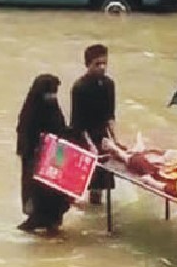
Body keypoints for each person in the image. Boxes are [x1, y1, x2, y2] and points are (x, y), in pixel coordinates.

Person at [16, 74, 75, 236]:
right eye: (49, 93)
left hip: (55, 159)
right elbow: (25, 139)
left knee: (56, 196)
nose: (52, 97)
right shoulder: (30, 113)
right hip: (36, 162)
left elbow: (61, 132)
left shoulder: (53, 108)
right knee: (38, 196)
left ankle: (52, 224)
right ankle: (37, 221)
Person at [71, 44, 117, 205]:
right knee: (76, 185)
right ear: (88, 64)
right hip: (82, 135)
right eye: (97, 64)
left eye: (105, 63)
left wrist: (116, 141)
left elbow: (110, 115)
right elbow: (78, 122)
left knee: (99, 183)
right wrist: (90, 146)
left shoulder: (108, 84)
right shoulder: (79, 88)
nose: (102, 67)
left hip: (101, 135)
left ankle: (96, 206)